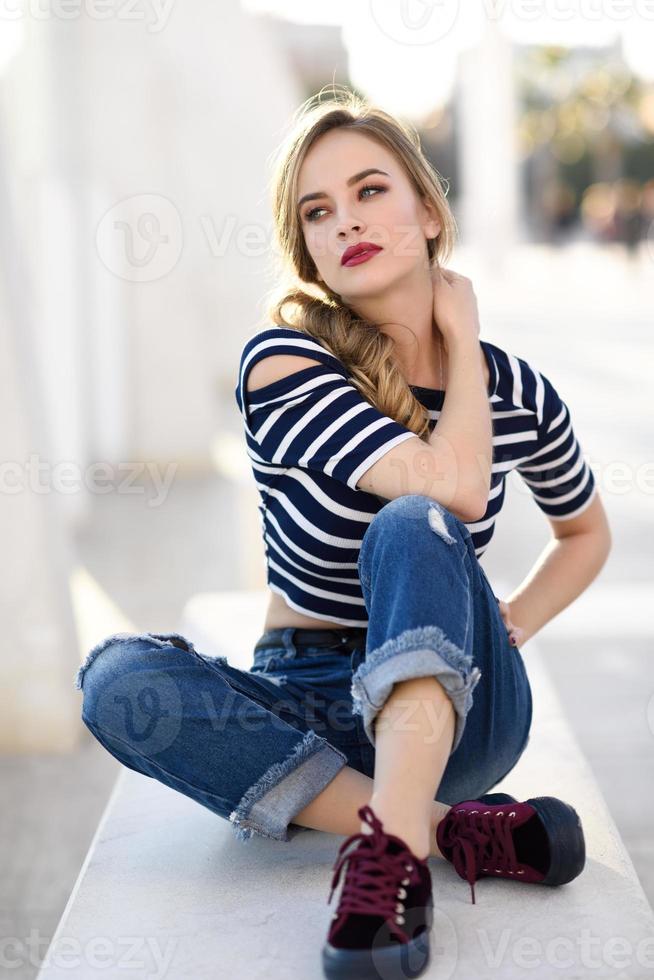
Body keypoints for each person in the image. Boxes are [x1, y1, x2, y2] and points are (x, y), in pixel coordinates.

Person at [75, 87, 611, 980]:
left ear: (429, 212)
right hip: (313, 695)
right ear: (308, 248)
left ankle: (389, 871)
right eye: (316, 211)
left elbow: (582, 532)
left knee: (414, 525)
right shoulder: (286, 363)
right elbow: (455, 483)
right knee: (116, 679)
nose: (344, 222)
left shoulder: (516, 393)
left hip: (467, 719)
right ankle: (443, 832)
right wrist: (464, 340)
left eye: (369, 191)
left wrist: (508, 625)